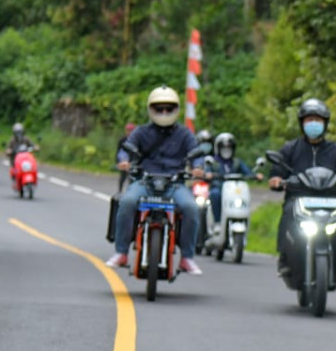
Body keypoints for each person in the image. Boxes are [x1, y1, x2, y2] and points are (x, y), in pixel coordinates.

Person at [106, 86, 205, 275]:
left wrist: (198, 167)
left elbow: (196, 152)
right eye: (159, 108)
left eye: (169, 108)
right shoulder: (141, 132)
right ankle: (121, 253)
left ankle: (187, 257)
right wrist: (124, 161)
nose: (164, 112)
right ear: (151, 109)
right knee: (127, 202)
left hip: (174, 184)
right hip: (145, 182)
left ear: (176, 109)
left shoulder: (184, 134)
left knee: (191, 207)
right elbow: (126, 149)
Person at [268, 98, 336, 279]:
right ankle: (284, 258)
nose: (313, 123)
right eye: (309, 120)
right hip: (298, 199)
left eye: (318, 120)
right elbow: (277, 172)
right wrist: (276, 180)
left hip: (331, 200)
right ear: (302, 123)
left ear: (325, 123)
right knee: (287, 214)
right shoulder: (291, 148)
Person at [207, 132, 262, 224]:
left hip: (233, 190)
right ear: (218, 149)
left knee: (243, 194)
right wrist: (208, 175)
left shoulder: (237, 162)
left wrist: (256, 176)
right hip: (219, 188)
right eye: (224, 148)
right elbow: (206, 173)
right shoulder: (213, 163)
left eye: (229, 147)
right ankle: (217, 222)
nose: (226, 150)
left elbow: (247, 172)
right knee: (215, 194)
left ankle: (243, 219)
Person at [116, 123, 136, 192]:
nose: (129, 132)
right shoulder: (122, 140)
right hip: (123, 160)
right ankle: (120, 191)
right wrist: (118, 161)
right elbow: (118, 151)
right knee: (123, 176)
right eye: (128, 130)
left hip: (132, 161)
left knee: (131, 178)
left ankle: (130, 191)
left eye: (131, 131)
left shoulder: (136, 140)